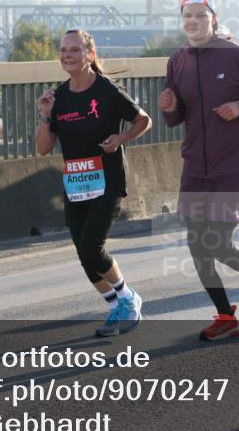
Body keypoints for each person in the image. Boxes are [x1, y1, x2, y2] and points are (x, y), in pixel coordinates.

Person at [158, 0, 239, 341]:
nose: (193, 21)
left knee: (217, 241)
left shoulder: (237, 55)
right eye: (187, 16)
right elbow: (176, 117)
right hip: (195, 166)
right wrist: (169, 107)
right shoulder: (177, 60)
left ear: (213, 19)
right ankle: (225, 316)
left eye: (200, 15)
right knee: (197, 246)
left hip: (233, 163)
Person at [36, 29, 152, 337]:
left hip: (107, 180)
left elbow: (143, 120)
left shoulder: (107, 91)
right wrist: (46, 114)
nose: (67, 55)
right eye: (63, 50)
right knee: (85, 257)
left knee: (92, 248)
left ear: (90, 54)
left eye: (74, 50)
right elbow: (43, 148)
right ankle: (116, 306)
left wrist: (120, 139)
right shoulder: (58, 97)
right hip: (76, 183)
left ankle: (128, 298)